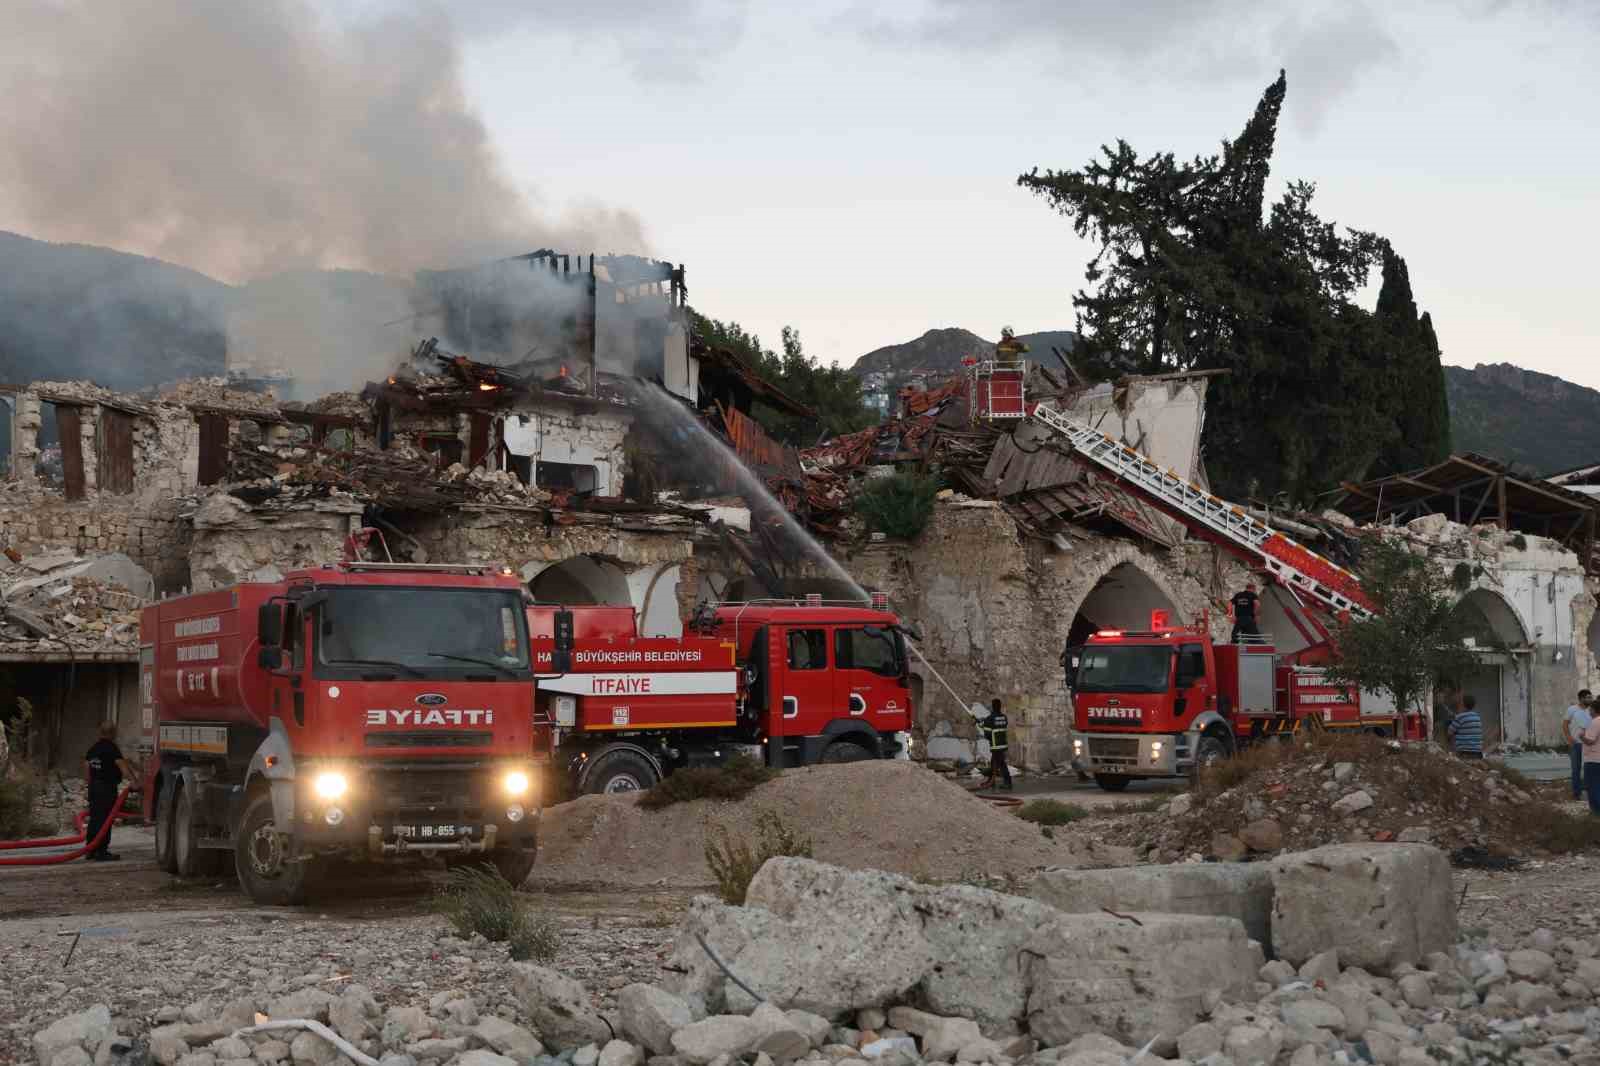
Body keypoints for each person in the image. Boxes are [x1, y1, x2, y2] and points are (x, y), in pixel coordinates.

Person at [83, 723, 133, 862]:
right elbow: (122, 767)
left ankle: (90, 849)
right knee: (105, 819)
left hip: (94, 787)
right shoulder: (112, 748)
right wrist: (133, 782)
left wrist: (89, 785)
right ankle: (101, 851)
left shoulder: (93, 748)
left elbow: (87, 768)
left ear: (100, 732)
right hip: (107, 788)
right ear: (113, 733)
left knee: (94, 818)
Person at [1564, 690, 1594, 801]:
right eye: (1588, 697)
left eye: (1591, 697)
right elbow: (1565, 724)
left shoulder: (1592, 710)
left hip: (1589, 743)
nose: (1590, 699)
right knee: (1576, 769)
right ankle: (1576, 793)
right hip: (1575, 743)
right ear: (1581, 698)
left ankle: (1589, 792)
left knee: (1589, 768)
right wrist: (1569, 738)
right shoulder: (1571, 709)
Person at [980, 698, 1013, 791]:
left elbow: (987, 735)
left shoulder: (989, 719)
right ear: (1000, 706)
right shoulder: (1004, 717)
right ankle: (991, 780)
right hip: (1002, 745)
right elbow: (997, 726)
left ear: (992, 707)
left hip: (995, 746)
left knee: (1001, 764)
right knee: (993, 763)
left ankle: (1008, 783)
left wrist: (982, 726)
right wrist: (984, 724)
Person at [1448, 693, 1483, 760]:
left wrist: (1453, 722)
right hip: (1478, 753)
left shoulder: (1460, 717)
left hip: (1464, 753)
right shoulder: (1477, 717)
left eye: (1460, 702)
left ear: (1463, 705)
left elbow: (1449, 732)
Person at [1582, 711, 1600, 815]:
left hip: (1594, 759)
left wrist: (1581, 736)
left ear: (1594, 710)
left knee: (1593, 786)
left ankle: (1596, 812)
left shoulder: (1595, 722)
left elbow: (1590, 741)